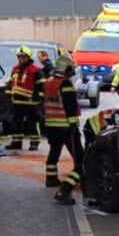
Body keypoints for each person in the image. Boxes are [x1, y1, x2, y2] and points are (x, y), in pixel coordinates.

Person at [43, 55, 83, 204]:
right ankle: (69, 187)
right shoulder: (65, 84)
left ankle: (51, 178)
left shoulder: (49, 83)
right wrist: (73, 126)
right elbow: (70, 107)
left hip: (51, 125)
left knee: (54, 152)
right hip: (66, 127)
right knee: (80, 158)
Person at [7, 45, 45, 151]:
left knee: (32, 124)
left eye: (24, 57)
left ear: (28, 57)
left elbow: (42, 86)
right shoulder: (15, 69)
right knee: (16, 123)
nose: (21, 59)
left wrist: (39, 100)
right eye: (20, 57)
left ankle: (34, 143)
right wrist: (8, 96)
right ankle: (16, 142)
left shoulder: (36, 70)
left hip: (31, 103)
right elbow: (11, 84)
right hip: (17, 102)